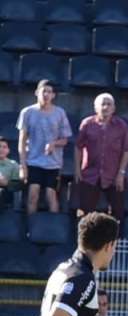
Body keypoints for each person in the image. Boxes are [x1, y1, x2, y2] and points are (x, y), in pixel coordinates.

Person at [75, 93, 128, 222]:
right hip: (90, 174)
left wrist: (121, 174)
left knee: (117, 212)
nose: (105, 107)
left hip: (113, 175)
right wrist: (77, 170)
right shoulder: (87, 124)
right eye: (103, 104)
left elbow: (126, 150)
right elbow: (78, 147)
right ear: (96, 108)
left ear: (114, 108)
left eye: (109, 104)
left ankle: (115, 241)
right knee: (85, 213)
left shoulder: (121, 126)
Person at [17, 80, 72, 215]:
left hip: (53, 164)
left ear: (53, 95)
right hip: (34, 161)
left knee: (51, 195)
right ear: (37, 93)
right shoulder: (27, 112)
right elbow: (22, 141)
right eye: (44, 91)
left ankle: (55, 229)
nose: (46, 94)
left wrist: (54, 144)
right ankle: (31, 229)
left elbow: (65, 139)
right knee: (33, 195)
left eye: (49, 92)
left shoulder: (60, 113)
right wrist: (23, 165)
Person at [0, 136, 22, 210]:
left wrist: (6, 183)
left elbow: (18, 186)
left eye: (4, 147)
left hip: (4, 194)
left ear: (8, 150)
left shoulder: (13, 165)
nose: (1, 149)